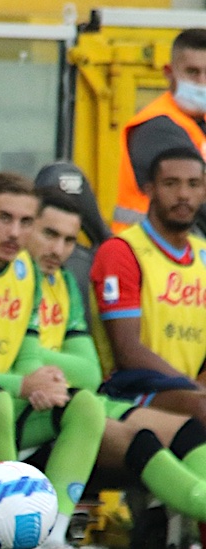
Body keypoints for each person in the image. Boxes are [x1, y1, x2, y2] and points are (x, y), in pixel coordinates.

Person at [0, 172, 105, 549]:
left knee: (86, 405)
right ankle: (10, 537)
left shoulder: (27, 272)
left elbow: (27, 355)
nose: (15, 232)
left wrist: (41, 383)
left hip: (2, 397)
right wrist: (22, 385)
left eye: (26, 222)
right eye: (4, 218)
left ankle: (52, 534)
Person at [27, 186, 206, 531]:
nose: (58, 249)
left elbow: (88, 371)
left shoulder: (63, 283)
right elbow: (17, 357)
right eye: (49, 234)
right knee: (138, 438)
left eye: (68, 240)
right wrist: (49, 369)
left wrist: (53, 368)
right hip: (46, 404)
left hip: (79, 396)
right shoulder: (13, 278)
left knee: (187, 432)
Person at [92, 146, 206, 426]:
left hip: (191, 391)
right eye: (171, 184)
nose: (183, 194)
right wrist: (192, 388)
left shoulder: (203, 255)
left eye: (193, 184)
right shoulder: (122, 251)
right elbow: (128, 350)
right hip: (132, 390)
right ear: (150, 189)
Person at [113, 28, 206, 232]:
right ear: (169, 73)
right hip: (146, 251)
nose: (202, 82)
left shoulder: (198, 123)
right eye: (192, 72)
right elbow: (195, 199)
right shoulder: (156, 127)